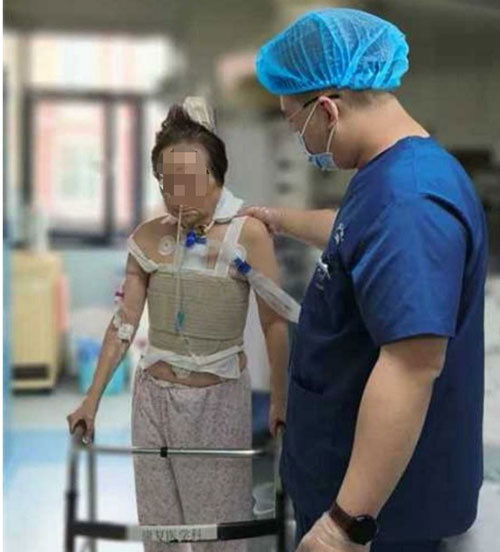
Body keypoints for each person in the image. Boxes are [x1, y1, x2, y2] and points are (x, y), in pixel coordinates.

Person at [239, 7, 488, 552]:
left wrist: (344, 525)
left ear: (327, 109)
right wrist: (277, 219)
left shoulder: (410, 199)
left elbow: (412, 366)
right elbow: (350, 232)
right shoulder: (385, 174)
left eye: (296, 126)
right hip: (340, 477)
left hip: (381, 517)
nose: (302, 141)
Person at [66, 97, 291, 552]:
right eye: (169, 183)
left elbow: (274, 323)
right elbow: (123, 323)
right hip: (154, 401)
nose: (179, 196)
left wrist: (280, 400)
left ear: (217, 176)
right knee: (160, 531)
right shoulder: (148, 237)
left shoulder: (247, 235)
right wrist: (91, 399)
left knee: (220, 533)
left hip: (218, 401)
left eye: (191, 181)